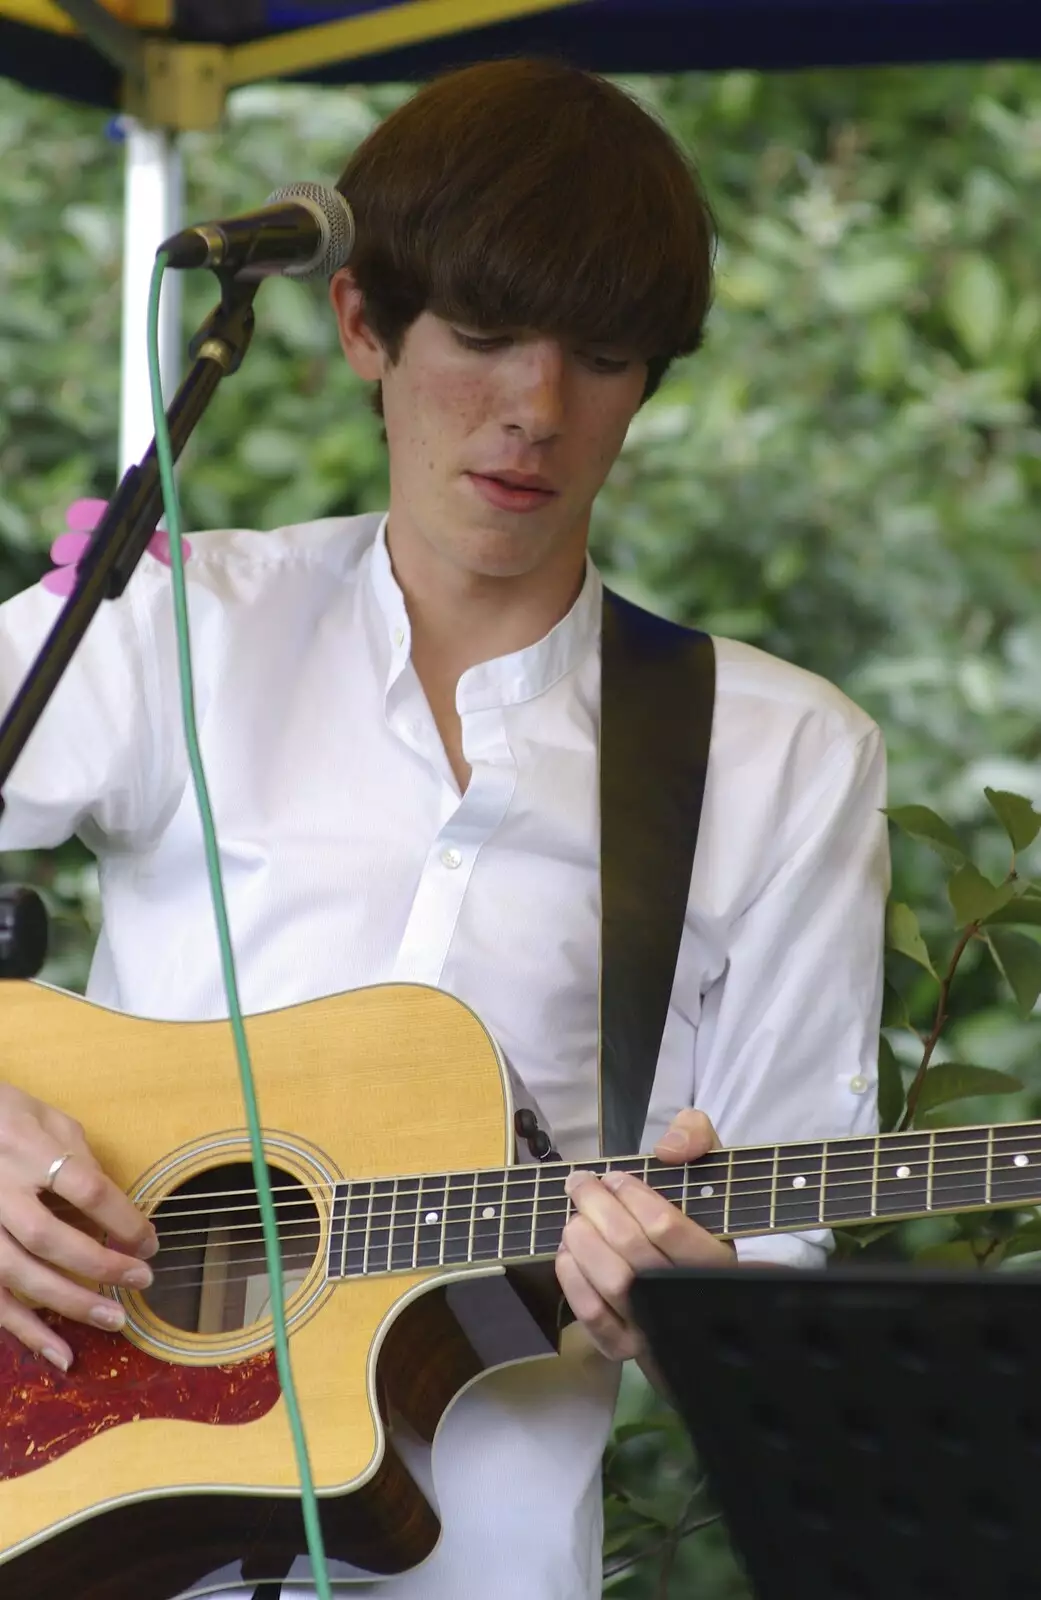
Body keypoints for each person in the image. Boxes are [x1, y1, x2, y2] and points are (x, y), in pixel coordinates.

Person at [0, 56, 888, 1600]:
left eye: (601, 358)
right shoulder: (178, 625)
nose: (535, 410)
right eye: (482, 338)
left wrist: (701, 1309)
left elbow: (779, 1290)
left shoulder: (782, 755)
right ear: (362, 326)